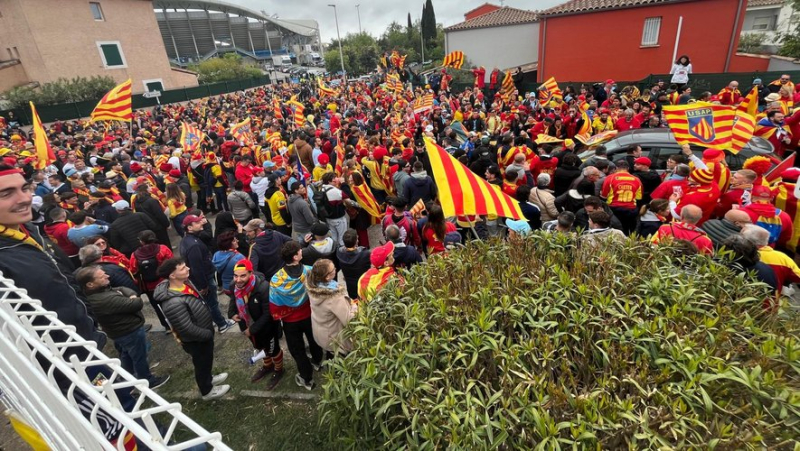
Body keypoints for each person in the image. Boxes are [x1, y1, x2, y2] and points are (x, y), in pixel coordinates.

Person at [76, 266, 168, 388]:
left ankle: (127, 379)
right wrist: (133, 297)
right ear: (90, 284)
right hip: (129, 331)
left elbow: (121, 289)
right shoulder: (104, 299)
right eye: (102, 276)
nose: (107, 276)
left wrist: (127, 294)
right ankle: (147, 380)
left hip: (119, 332)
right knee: (139, 356)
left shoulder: (98, 292)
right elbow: (136, 304)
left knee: (126, 355)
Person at [153, 257, 230, 400]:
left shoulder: (185, 282)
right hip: (197, 339)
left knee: (206, 361)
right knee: (201, 363)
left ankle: (208, 378)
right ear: (172, 275)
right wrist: (207, 334)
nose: (188, 268)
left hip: (203, 334)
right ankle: (207, 391)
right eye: (182, 268)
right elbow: (186, 328)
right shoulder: (173, 302)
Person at [269, 241, 323, 390]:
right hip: (309, 315)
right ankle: (318, 361)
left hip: (290, 320)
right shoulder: (309, 271)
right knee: (314, 339)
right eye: (300, 251)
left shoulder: (276, 279)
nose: (302, 252)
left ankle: (307, 378)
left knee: (297, 350)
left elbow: (274, 304)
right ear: (295, 257)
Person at [229, 259, 285, 390]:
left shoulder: (263, 287)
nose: (238, 280)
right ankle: (268, 366)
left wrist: (252, 329)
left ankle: (279, 369)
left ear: (250, 273)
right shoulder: (234, 285)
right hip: (247, 326)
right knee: (259, 347)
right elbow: (233, 299)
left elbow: (268, 313)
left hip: (267, 328)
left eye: (243, 275)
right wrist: (231, 313)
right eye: (236, 276)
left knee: (273, 350)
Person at [180, 214, 236, 333]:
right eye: (197, 222)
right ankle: (222, 324)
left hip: (202, 277)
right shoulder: (193, 244)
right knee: (212, 303)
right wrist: (203, 285)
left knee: (209, 303)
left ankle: (216, 320)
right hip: (204, 278)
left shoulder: (188, 239)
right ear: (189, 227)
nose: (201, 223)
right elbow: (197, 267)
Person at [306, 258, 357, 355]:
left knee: (330, 355)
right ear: (327, 277)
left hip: (322, 333)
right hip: (335, 339)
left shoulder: (314, 287)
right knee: (340, 361)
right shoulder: (334, 297)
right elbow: (349, 320)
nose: (335, 269)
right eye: (333, 269)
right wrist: (354, 305)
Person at [129, 230, 173, 331]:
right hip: (165, 281)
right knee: (171, 301)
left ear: (141, 242)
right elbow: (171, 262)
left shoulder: (135, 255)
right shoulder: (163, 249)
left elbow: (133, 270)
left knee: (157, 305)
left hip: (149, 286)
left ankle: (167, 326)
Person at [600, 161, 642, 235]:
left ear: (616, 168)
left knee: (614, 231)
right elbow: (638, 197)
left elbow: (604, 195)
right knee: (628, 232)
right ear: (628, 168)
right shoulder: (637, 180)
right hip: (631, 210)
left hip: (614, 209)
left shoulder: (610, 178)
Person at [336, 229, 372, 299]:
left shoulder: (339, 253)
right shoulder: (364, 254)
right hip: (363, 283)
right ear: (356, 241)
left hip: (350, 285)